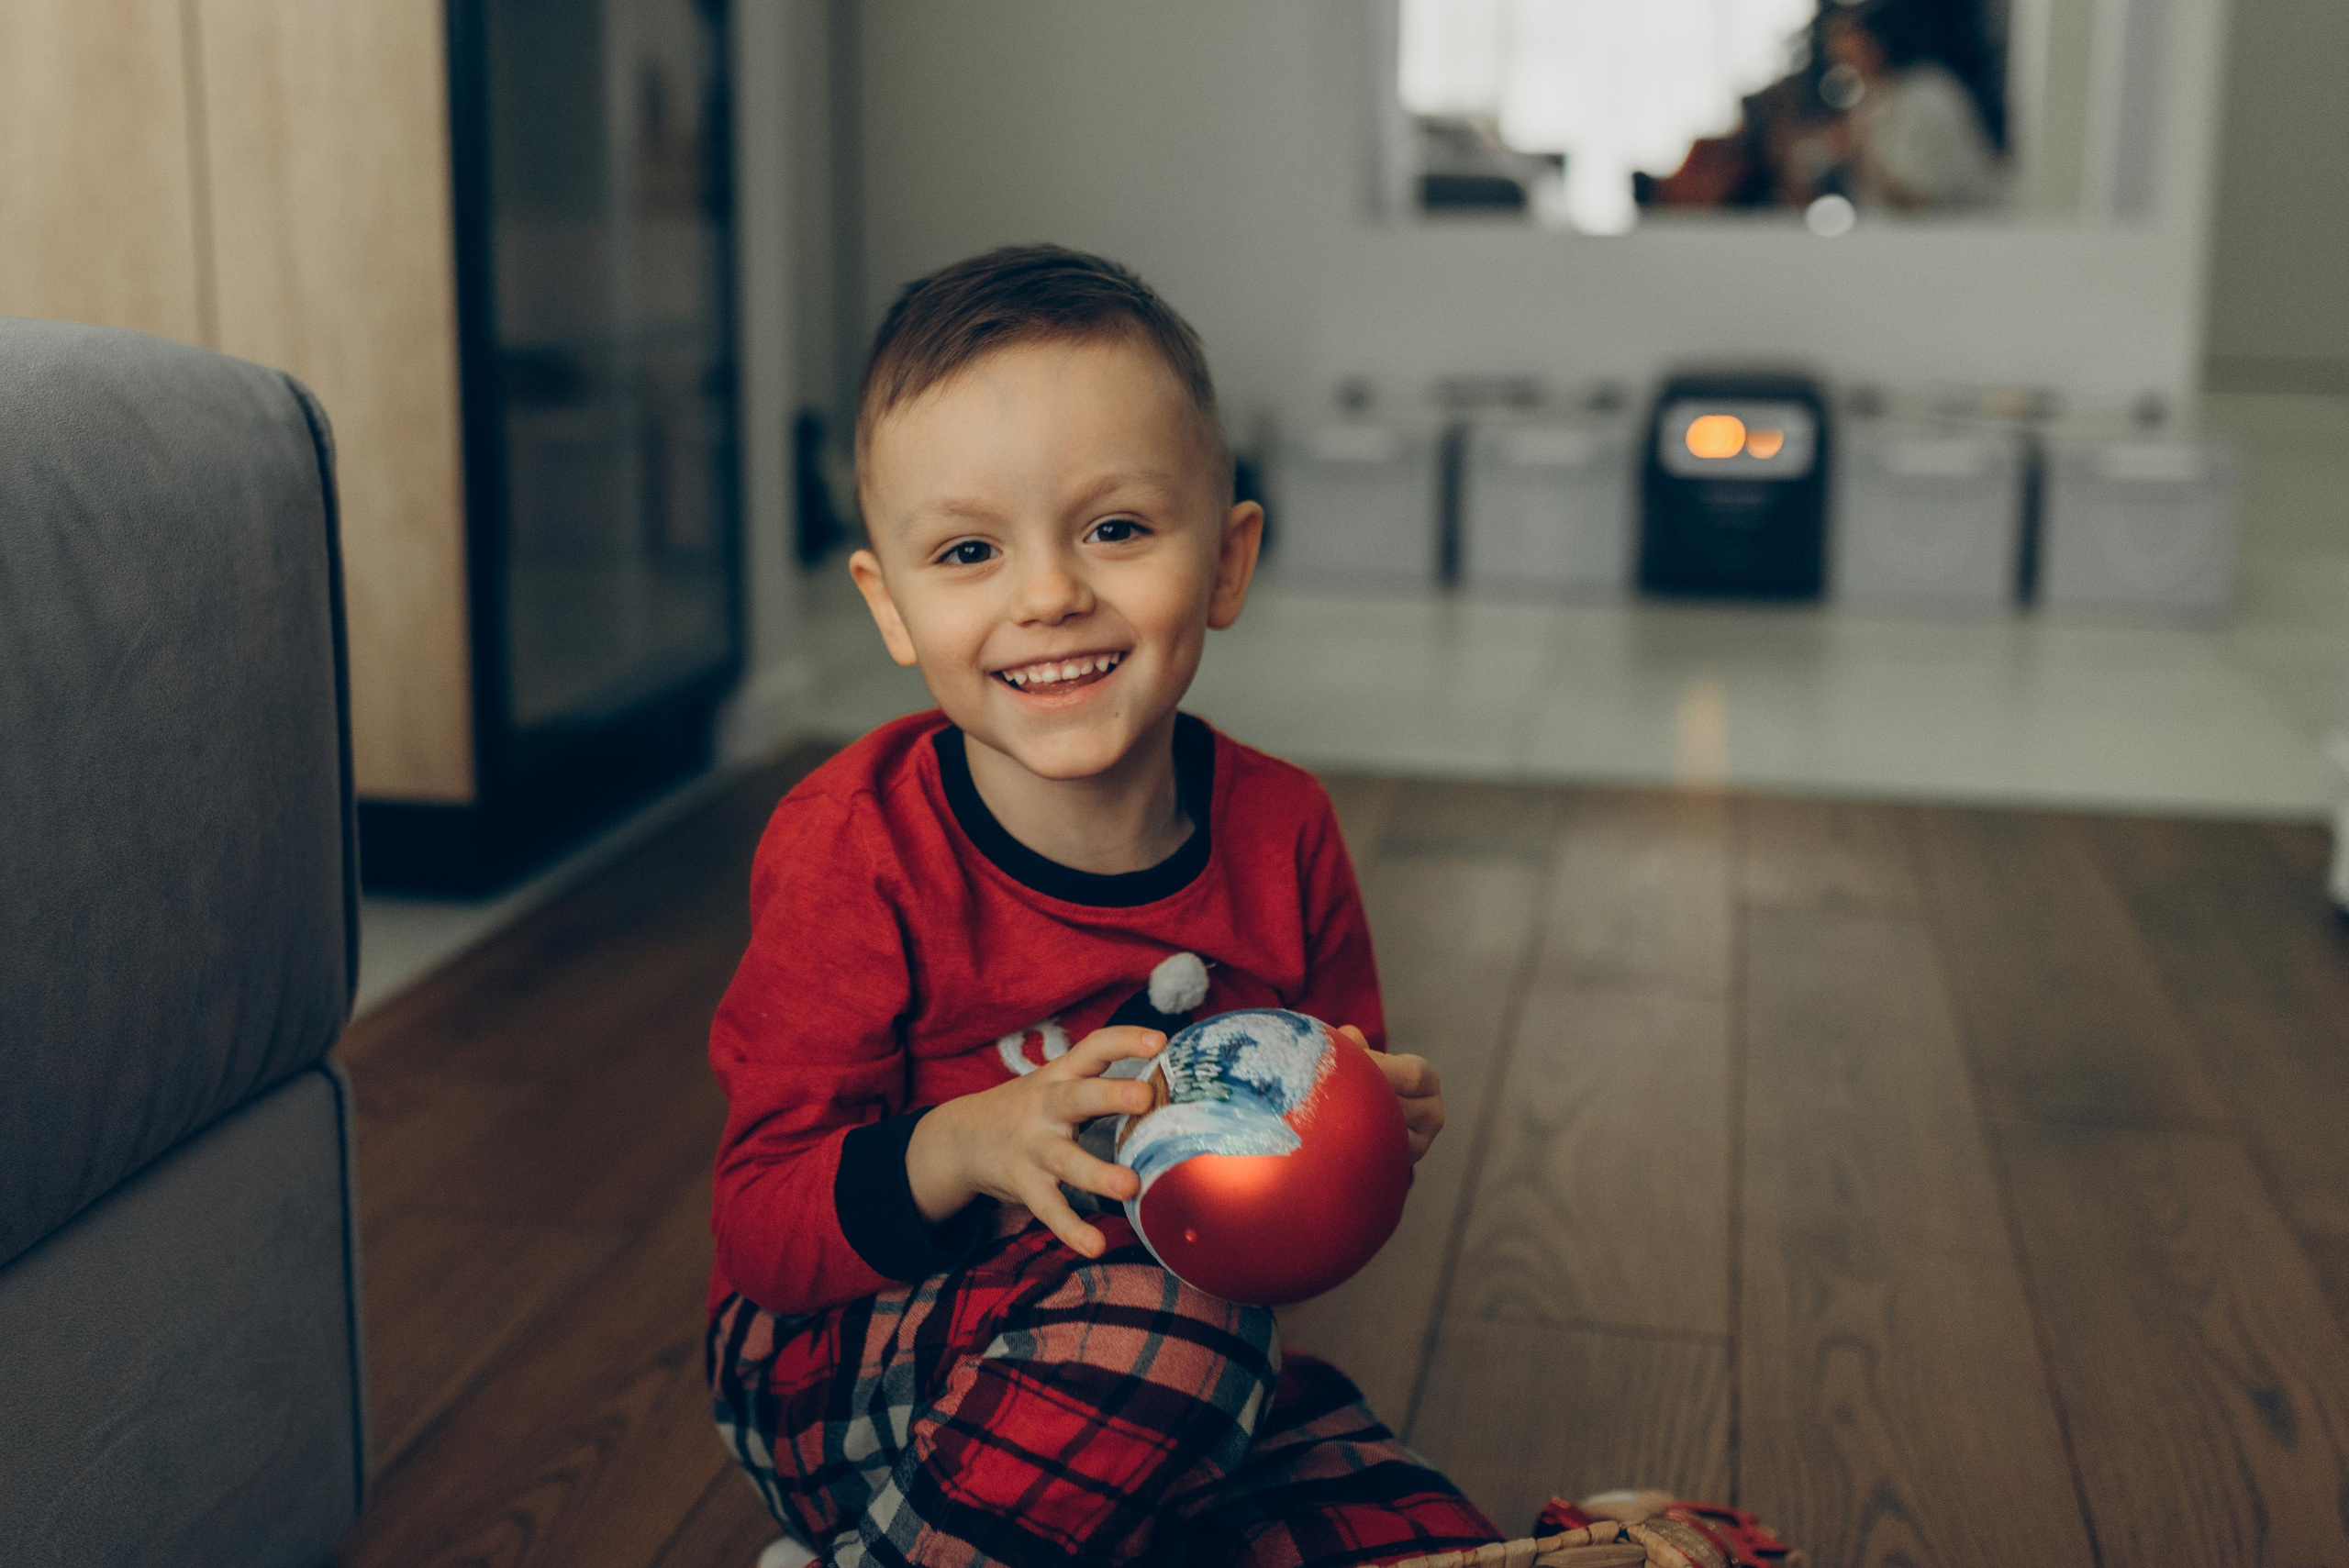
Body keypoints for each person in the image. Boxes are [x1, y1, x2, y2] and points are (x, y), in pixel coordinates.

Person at [703, 244, 1798, 1568]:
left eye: (1115, 529)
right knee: (1190, 1333)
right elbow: (762, 1228)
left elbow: (1281, 1225)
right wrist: (967, 1144)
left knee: (1395, 1513)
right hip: (844, 1358)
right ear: (891, 605)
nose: (1048, 594)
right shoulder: (857, 845)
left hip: (1170, 1363)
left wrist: (1362, 1147)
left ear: (1226, 563)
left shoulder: (1282, 831)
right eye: (969, 550)